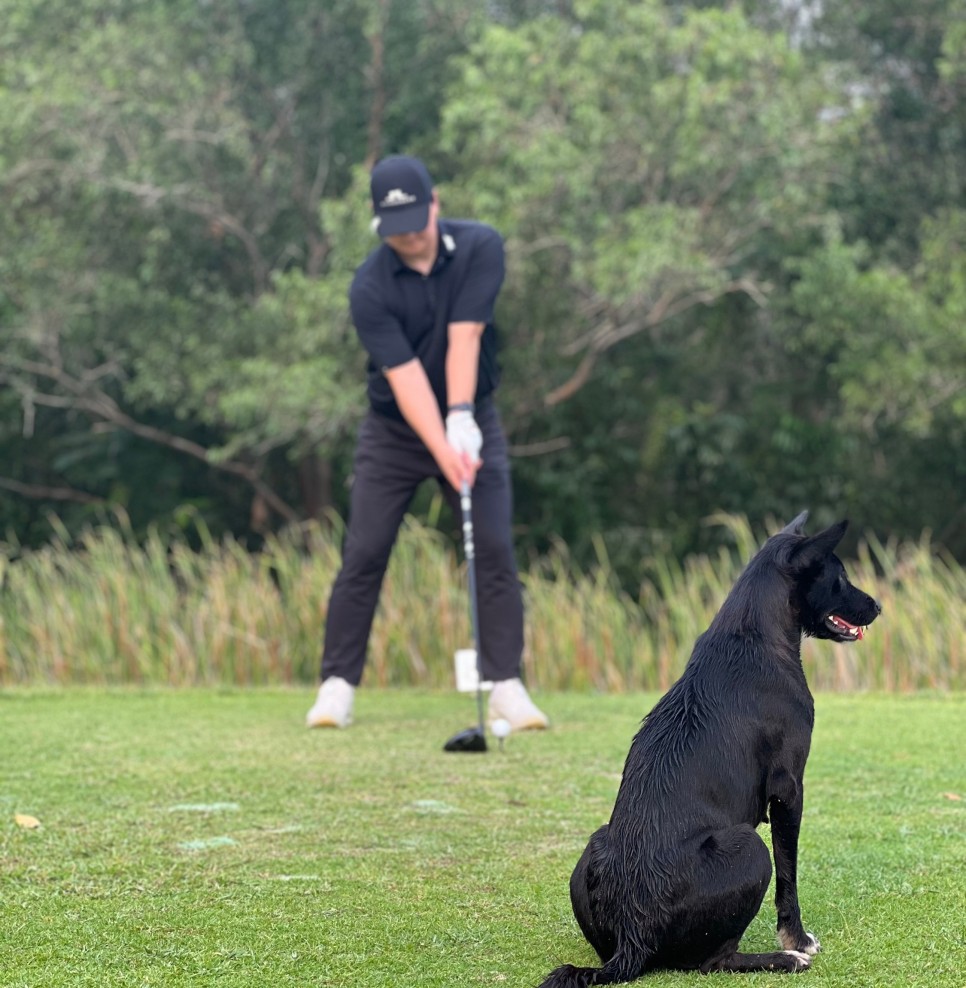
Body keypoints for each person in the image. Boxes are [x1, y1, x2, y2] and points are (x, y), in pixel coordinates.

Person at [305, 154, 549, 733]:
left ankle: (505, 686)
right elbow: (406, 378)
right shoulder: (369, 286)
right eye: (395, 228)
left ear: (434, 204)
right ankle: (336, 685)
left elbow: (466, 337)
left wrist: (462, 418)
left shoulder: (481, 247)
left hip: (474, 415)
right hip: (394, 432)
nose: (409, 237)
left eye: (416, 221)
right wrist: (445, 450)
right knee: (365, 551)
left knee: (492, 546)